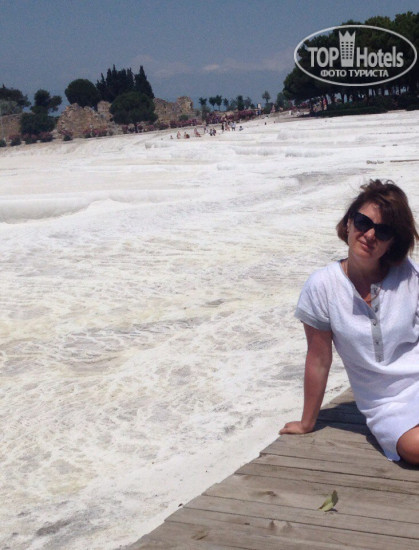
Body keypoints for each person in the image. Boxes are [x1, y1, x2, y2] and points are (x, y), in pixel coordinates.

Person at [280, 180, 419, 465]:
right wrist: (307, 422)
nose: (370, 235)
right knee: (415, 449)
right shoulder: (322, 286)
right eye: (363, 222)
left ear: (393, 242)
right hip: (385, 403)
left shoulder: (410, 276)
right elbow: (319, 359)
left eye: (383, 231)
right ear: (348, 223)